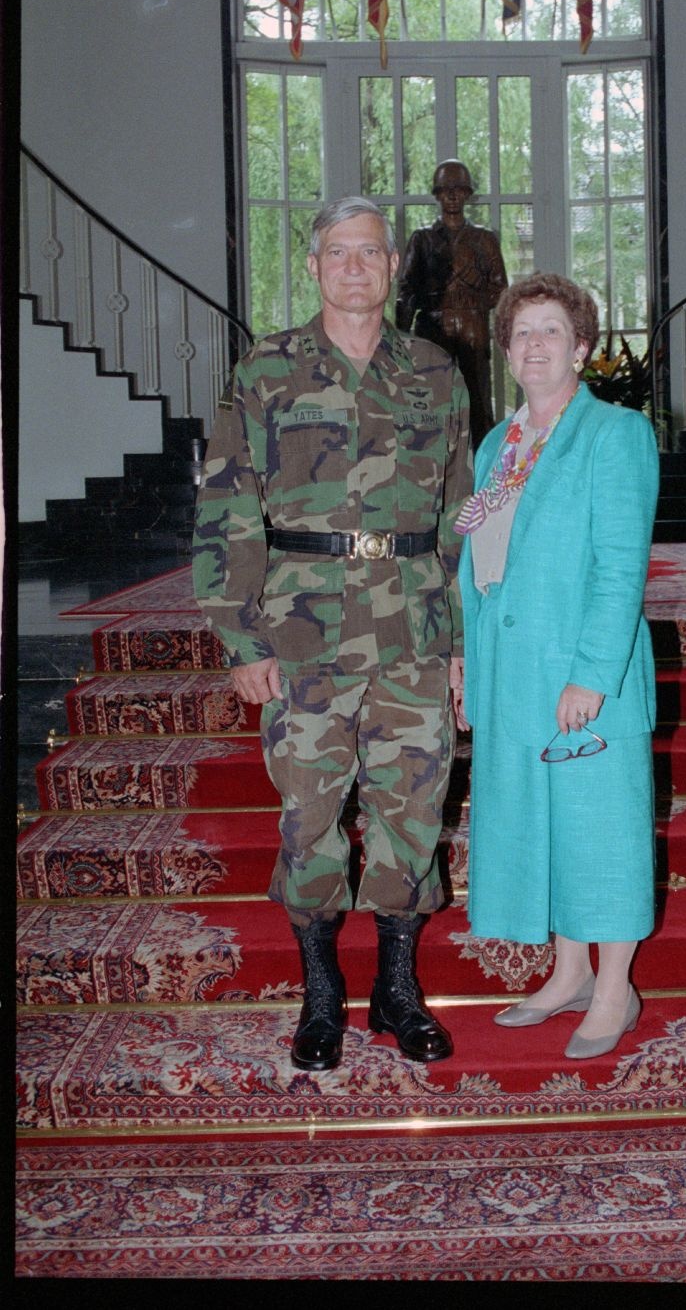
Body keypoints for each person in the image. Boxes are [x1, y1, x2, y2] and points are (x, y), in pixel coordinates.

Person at [192, 196, 472, 1073]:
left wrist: (467, 644)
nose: (356, 266)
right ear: (313, 268)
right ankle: (321, 996)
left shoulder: (436, 371)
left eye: (371, 252)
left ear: (393, 268)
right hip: (302, 632)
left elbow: (465, 512)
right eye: (338, 253)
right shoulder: (266, 370)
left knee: (412, 815)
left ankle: (396, 991)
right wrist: (239, 639)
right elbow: (228, 505)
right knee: (309, 816)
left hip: (416, 630)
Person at [452, 272, 659, 1059]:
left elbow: (619, 567)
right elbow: (477, 562)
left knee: (599, 827)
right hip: (510, 667)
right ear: (506, 352)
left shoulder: (613, 435)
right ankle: (567, 972)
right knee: (542, 822)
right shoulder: (497, 445)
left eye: (550, 331)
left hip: (580, 672)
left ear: (581, 347)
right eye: (521, 333)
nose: (534, 345)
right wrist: (468, 664)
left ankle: (616, 989)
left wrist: (592, 674)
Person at [395, 159, 508, 450]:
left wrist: (470, 300)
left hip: (473, 329)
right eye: (446, 190)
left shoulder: (484, 240)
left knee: (479, 401)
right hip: (433, 329)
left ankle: (484, 465)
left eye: (459, 189)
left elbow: (500, 288)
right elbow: (406, 289)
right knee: (432, 398)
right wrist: (400, 339)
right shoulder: (422, 240)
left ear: (468, 193)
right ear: (437, 194)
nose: (453, 196)